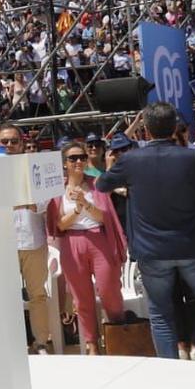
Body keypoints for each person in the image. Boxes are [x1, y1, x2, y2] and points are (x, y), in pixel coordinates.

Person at [96, 102, 195, 362]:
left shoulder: (131, 160)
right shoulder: (191, 157)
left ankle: (169, 367)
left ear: (145, 129)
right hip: (191, 246)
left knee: (160, 312)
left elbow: (102, 184)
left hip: (152, 250)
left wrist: (112, 164)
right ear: (174, 128)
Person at [45, 139, 126, 354]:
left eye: (82, 157)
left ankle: (118, 335)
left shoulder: (97, 183)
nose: (79, 161)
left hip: (98, 239)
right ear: (64, 163)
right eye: (73, 158)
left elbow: (104, 217)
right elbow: (60, 224)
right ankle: (91, 343)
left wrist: (85, 202)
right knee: (81, 297)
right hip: (72, 242)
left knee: (109, 290)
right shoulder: (57, 189)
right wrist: (79, 209)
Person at [0, 123, 57, 354]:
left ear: (21, 144)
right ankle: (11, 343)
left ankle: (41, 341)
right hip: (3, 242)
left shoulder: (34, 169)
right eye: (5, 142)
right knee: (7, 296)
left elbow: (41, 204)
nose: (9, 146)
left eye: (14, 141)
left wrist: (16, 201)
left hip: (33, 241)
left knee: (37, 294)